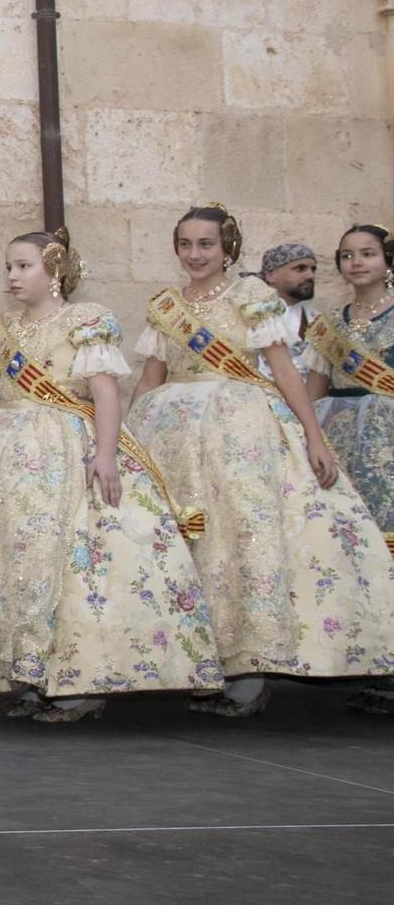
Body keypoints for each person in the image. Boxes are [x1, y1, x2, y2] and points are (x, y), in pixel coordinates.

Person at [129, 205, 394, 716]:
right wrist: (129, 442)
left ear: (227, 248)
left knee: (241, 541)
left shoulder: (251, 296)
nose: (194, 254)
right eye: (185, 244)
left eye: (206, 244)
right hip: (169, 431)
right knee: (180, 541)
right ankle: (197, 660)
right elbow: (150, 378)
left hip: (239, 431)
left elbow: (284, 371)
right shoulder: (166, 306)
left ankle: (247, 671)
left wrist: (314, 437)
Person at [0, 228, 220, 722]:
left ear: (54, 270)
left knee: (67, 563)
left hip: (64, 452)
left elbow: (104, 393)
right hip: (0, 459)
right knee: (10, 564)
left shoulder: (87, 320)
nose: (13, 276)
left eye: (24, 266)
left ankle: (79, 683)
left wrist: (107, 454)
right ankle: (31, 674)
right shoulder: (0, 329)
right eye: (9, 266)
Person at [303, 224, 394, 713]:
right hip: (336, 436)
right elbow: (314, 388)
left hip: (386, 438)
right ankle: (361, 653)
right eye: (346, 255)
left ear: (387, 260)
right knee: (347, 541)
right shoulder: (328, 325)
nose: (356, 263)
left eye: (367, 254)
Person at [256, 242, 319, 382]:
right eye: (300, 269)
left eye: (313, 269)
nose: (310, 275)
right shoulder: (254, 315)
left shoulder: (316, 319)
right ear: (271, 275)